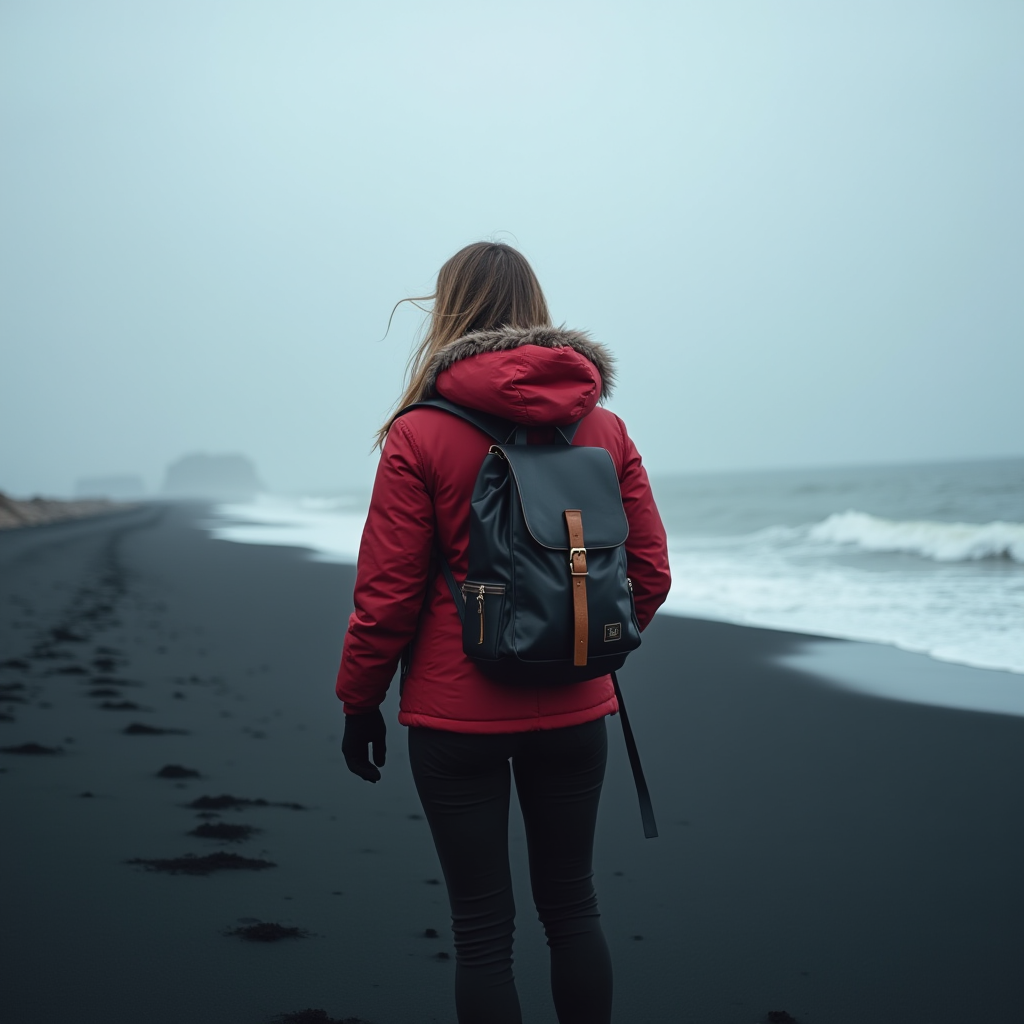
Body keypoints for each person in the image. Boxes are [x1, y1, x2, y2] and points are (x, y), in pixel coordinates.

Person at [336, 241, 671, 1024]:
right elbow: (648, 574)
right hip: (579, 707)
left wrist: (360, 704)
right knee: (574, 910)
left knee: (483, 933)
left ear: (449, 314)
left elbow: (386, 597)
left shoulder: (420, 433)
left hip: (458, 715)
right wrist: (580, 645)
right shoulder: (605, 428)